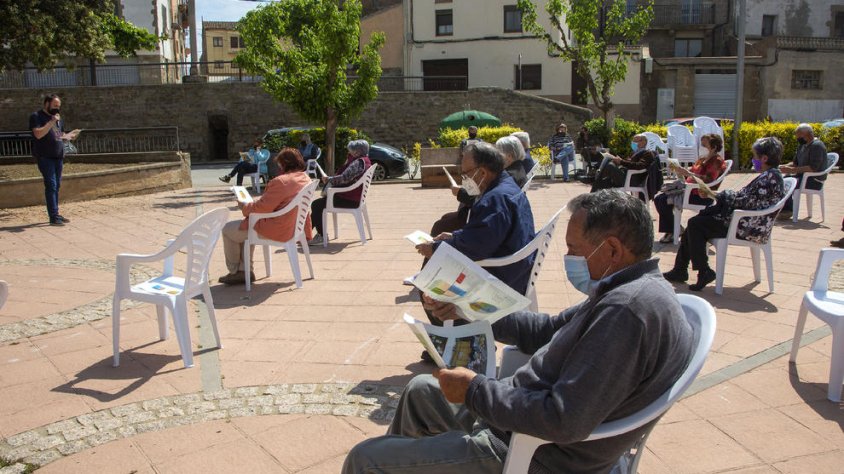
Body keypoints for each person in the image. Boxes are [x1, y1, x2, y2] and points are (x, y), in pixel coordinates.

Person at [343, 190, 694, 474]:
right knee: (421, 390)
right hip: (515, 418)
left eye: (574, 251)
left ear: (613, 250)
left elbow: (563, 419)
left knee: (365, 459)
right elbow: (546, 329)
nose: (569, 259)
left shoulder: (626, 312)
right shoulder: (629, 289)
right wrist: (466, 308)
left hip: (528, 453)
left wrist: (475, 391)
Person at [416, 142, 536, 309]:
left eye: (466, 174)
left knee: (429, 294)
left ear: (483, 172)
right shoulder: (505, 186)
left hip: (500, 279)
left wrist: (435, 249)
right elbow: (484, 234)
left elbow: (476, 247)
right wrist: (454, 236)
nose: (464, 179)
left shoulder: (495, 199)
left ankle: (458, 333)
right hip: (514, 268)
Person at [664, 137, 786, 291]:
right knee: (697, 221)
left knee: (696, 224)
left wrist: (720, 195)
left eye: (755, 157)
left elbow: (748, 203)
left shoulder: (771, 178)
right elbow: (745, 198)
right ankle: (682, 270)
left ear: (764, 158)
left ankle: (703, 271)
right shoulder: (768, 175)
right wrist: (714, 194)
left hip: (747, 225)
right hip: (741, 219)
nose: (753, 160)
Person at [218, 148, 313, 285]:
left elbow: (263, 208)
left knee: (228, 229)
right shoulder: (305, 178)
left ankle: (237, 272)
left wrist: (244, 206)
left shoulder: (281, 182)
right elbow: (271, 204)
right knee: (243, 229)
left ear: (283, 164)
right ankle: (244, 271)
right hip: (294, 226)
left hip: (278, 229)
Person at [653, 134, 727, 243]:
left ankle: (673, 230)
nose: (702, 147)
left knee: (663, 200)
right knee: (659, 198)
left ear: (714, 147)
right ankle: (674, 229)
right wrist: (680, 170)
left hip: (700, 195)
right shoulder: (702, 159)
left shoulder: (717, 161)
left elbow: (709, 180)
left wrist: (690, 174)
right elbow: (690, 173)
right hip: (688, 191)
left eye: (705, 145)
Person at [309, 140, 372, 245]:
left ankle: (321, 235)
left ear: (358, 151)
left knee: (316, 205)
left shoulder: (358, 162)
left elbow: (344, 178)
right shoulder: (366, 160)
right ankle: (304, 234)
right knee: (319, 203)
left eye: (352, 151)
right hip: (355, 197)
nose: (350, 153)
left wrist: (328, 179)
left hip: (350, 199)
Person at [30, 94, 80, 226]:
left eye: (59, 106)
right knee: (51, 185)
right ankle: (53, 216)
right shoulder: (36, 116)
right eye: (55, 106)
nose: (57, 109)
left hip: (58, 156)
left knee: (56, 185)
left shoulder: (58, 118)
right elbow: (38, 134)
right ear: (46, 103)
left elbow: (58, 134)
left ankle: (56, 213)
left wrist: (68, 136)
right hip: (45, 156)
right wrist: (51, 121)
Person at [778, 123, 828, 218]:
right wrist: (782, 166)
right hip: (801, 177)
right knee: (783, 180)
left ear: (809, 134)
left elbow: (813, 168)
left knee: (788, 184)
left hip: (814, 180)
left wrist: (792, 169)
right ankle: (785, 208)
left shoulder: (817, 146)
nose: (798, 139)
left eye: (799, 136)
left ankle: (788, 211)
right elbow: (795, 163)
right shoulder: (801, 146)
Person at [590, 134, 655, 192]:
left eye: (636, 141)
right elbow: (630, 163)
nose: (633, 143)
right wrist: (619, 161)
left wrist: (621, 161)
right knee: (599, 183)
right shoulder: (635, 152)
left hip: (631, 180)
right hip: (625, 176)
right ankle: (589, 202)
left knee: (610, 166)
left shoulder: (647, 153)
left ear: (644, 142)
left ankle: (593, 176)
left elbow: (639, 165)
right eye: (633, 141)